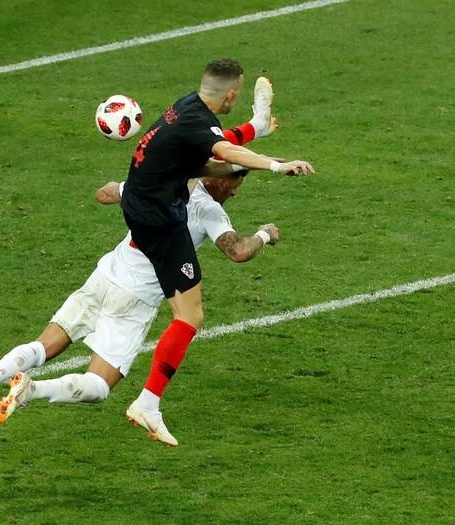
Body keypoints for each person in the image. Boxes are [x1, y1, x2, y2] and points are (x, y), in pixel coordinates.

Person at [0, 78, 285, 441]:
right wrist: (266, 234)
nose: (233, 194)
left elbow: (105, 193)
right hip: (134, 300)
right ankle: (33, 390)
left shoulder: (157, 183)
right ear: (220, 179)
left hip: (105, 275)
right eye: (235, 186)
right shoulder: (210, 212)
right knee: (98, 385)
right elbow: (238, 250)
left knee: (42, 345)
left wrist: (127, 191)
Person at [120, 59, 314, 443]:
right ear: (230, 94)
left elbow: (209, 159)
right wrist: (275, 168)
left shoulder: (185, 106)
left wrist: (250, 154)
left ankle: (258, 123)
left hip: (136, 219)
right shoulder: (209, 203)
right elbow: (224, 151)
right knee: (188, 318)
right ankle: (147, 404)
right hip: (160, 232)